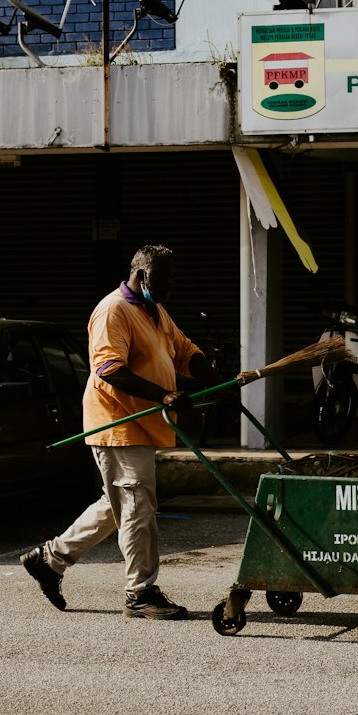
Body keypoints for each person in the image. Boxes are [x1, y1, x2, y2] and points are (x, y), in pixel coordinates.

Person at [20, 244, 211, 620]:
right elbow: (109, 369)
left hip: (140, 422)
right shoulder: (114, 311)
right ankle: (140, 592)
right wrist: (165, 394)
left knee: (118, 504)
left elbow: (183, 350)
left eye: (174, 276)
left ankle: (50, 559)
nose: (170, 284)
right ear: (141, 276)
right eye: (164, 277)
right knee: (138, 506)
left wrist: (217, 379)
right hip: (118, 422)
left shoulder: (153, 310)